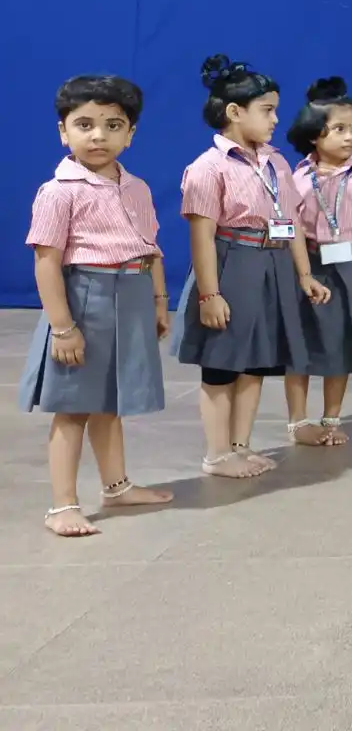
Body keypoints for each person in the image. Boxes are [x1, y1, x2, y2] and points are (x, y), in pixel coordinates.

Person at [22, 75, 173, 537]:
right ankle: (63, 505)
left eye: (113, 125)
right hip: (83, 298)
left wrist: (159, 302)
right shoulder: (58, 191)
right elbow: (47, 263)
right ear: (63, 131)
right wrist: (63, 327)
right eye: (84, 124)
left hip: (131, 295)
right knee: (73, 406)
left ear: (130, 135)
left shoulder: (138, 188)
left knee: (111, 401)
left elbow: (151, 248)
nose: (98, 136)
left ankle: (117, 486)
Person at [175, 55, 329, 474]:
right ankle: (217, 453)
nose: (276, 119)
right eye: (267, 110)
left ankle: (240, 445)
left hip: (274, 264)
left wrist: (303, 274)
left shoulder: (277, 162)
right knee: (223, 362)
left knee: (257, 360)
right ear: (234, 112)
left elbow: (292, 220)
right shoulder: (209, 168)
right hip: (233, 264)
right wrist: (210, 293)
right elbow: (202, 237)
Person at [285, 78, 352, 444]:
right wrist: (299, 271)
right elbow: (291, 227)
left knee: (341, 345)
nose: (350, 138)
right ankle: (298, 422)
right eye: (339, 129)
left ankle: (332, 419)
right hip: (309, 266)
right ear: (315, 134)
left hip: (351, 268)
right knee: (302, 344)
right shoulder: (295, 178)